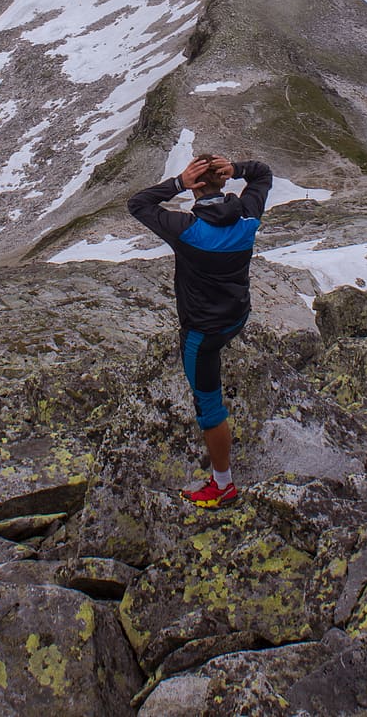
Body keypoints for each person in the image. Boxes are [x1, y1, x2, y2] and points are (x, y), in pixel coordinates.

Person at [127, 152, 272, 508]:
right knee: (216, 358)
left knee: (209, 408)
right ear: (223, 180)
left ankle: (223, 485)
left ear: (196, 185)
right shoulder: (247, 217)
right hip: (236, 317)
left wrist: (178, 182)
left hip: (202, 334)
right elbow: (262, 174)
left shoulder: (187, 230)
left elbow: (138, 203)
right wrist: (238, 169)